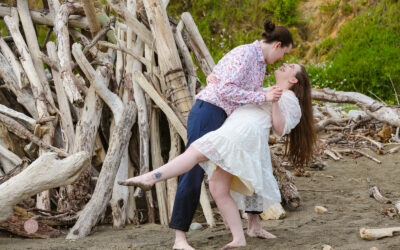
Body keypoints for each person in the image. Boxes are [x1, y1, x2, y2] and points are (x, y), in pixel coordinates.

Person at [130, 19, 292, 250]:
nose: (283, 59)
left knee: (248, 164)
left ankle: (253, 225)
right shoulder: (246, 54)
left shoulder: (258, 61)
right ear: (277, 45)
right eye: (284, 53)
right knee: (192, 169)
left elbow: (219, 76)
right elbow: (225, 89)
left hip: (225, 116)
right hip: (208, 112)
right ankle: (180, 238)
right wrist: (262, 98)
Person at [120, 62, 316, 249]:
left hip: (241, 133)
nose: (285, 65)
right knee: (218, 188)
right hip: (235, 129)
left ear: (294, 80)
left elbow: (280, 129)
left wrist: (274, 102)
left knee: (196, 152)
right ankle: (239, 238)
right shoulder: (266, 89)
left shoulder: (289, 99)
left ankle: (151, 177)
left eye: (291, 67)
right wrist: (216, 82)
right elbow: (237, 95)